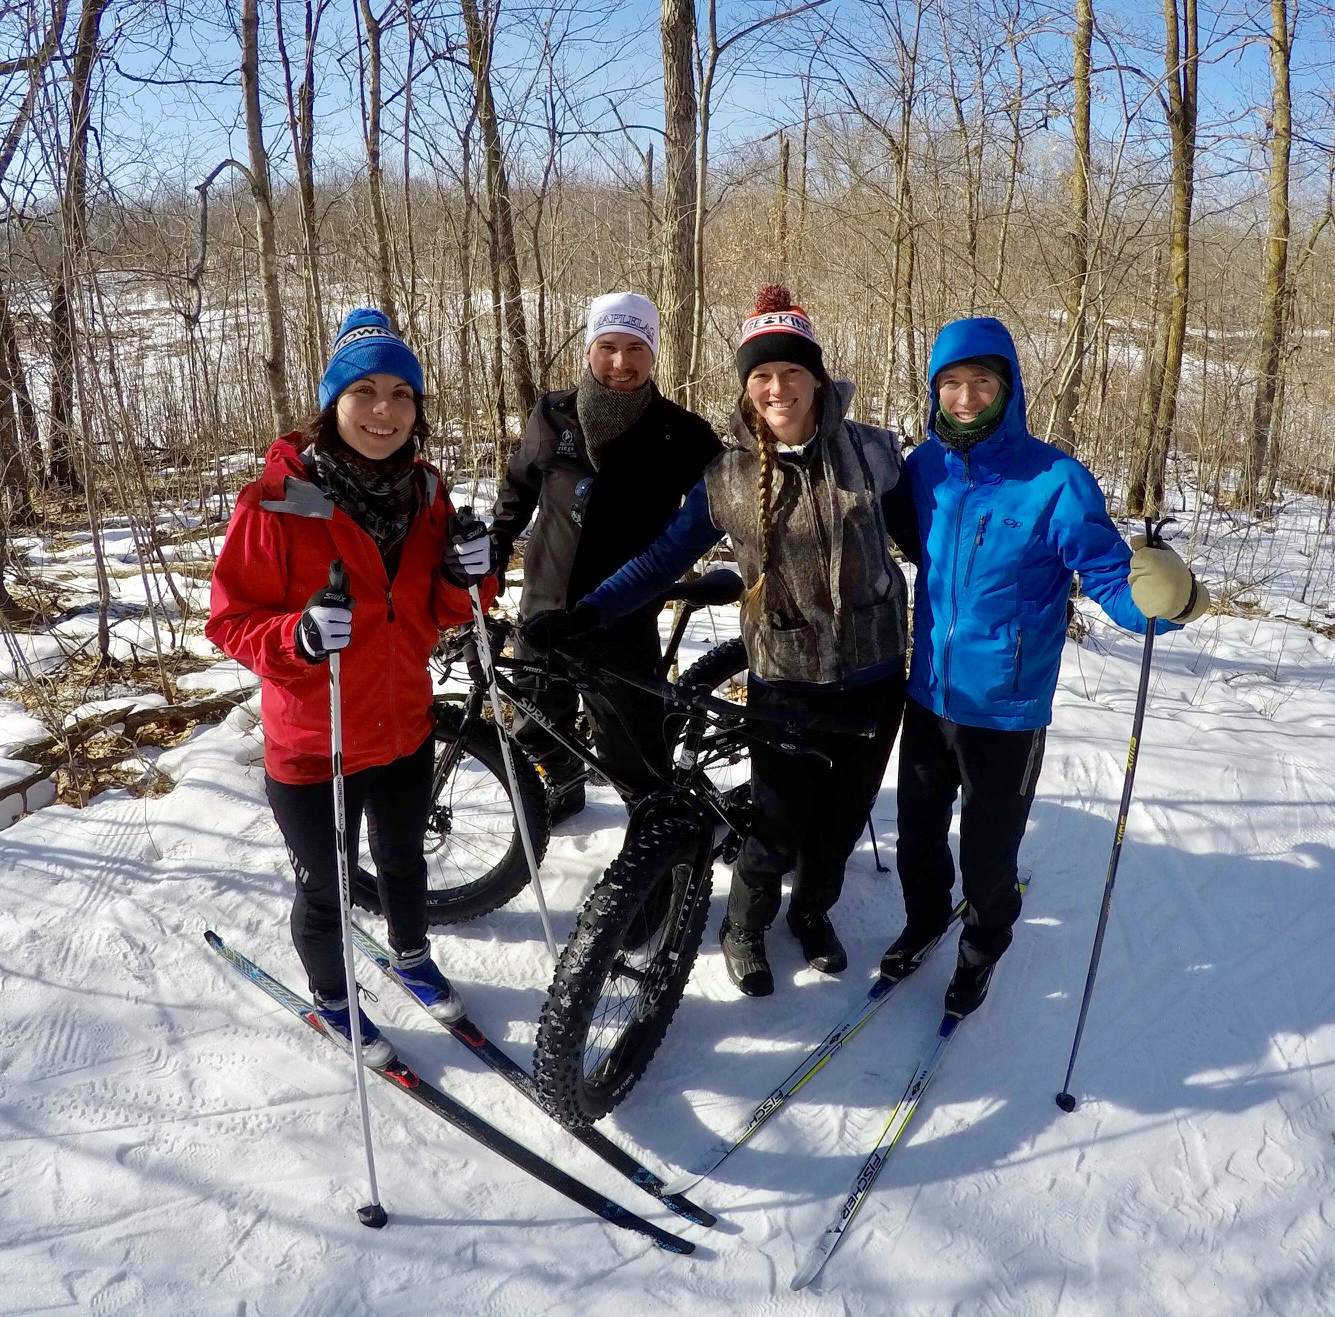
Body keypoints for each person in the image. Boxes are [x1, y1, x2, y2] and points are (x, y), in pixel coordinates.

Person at [531, 286, 917, 997]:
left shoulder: (872, 454)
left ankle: (811, 913)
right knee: (776, 822)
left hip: (874, 673)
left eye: (791, 372)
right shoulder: (728, 477)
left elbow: (932, 542)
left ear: (817, 379)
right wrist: (586, 612)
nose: (777, 387)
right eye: (761, 375)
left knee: (839, 822)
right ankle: (743, 925)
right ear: (747, 386)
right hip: (784, 676)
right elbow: (659, 562)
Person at [880, 315, 1212, 1018]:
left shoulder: (1055, 480)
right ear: (933, 390)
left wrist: (1163, 600)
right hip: (929, 693)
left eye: (981, 381)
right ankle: (923, 918)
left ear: (1007, 387)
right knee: (916, 832)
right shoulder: (923, 467)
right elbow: (911, 544)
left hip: (1005, 705)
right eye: (950, 384)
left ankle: (980, 948)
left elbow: (1107, 577)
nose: (965, 397)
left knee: (988, 853)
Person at [207, 308, 498, 1066]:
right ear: (332, 403)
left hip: (402, 724)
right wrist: (295, 637)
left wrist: (472, 571)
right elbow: (230, 618)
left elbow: (437, 610)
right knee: (327, 886)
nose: (383, 410)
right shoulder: (275, 499)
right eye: (364, 390)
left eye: (401, 394)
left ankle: (409, 955)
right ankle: (334, 999)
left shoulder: (426, 492)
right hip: (314, 742)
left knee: (403, 860)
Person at [488, 292, 721, 822]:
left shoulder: (680, 431)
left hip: (621, 609)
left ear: (653, 354)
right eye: (608, 346)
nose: (621, 362)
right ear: (589, 348)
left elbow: (729, 500)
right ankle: (562, 780)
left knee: (629, 739)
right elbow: (518, 489)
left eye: (636, 347)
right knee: (532, 717)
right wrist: (497, 548)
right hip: (545, 597)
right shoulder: (551, 413)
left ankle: (656, 829)